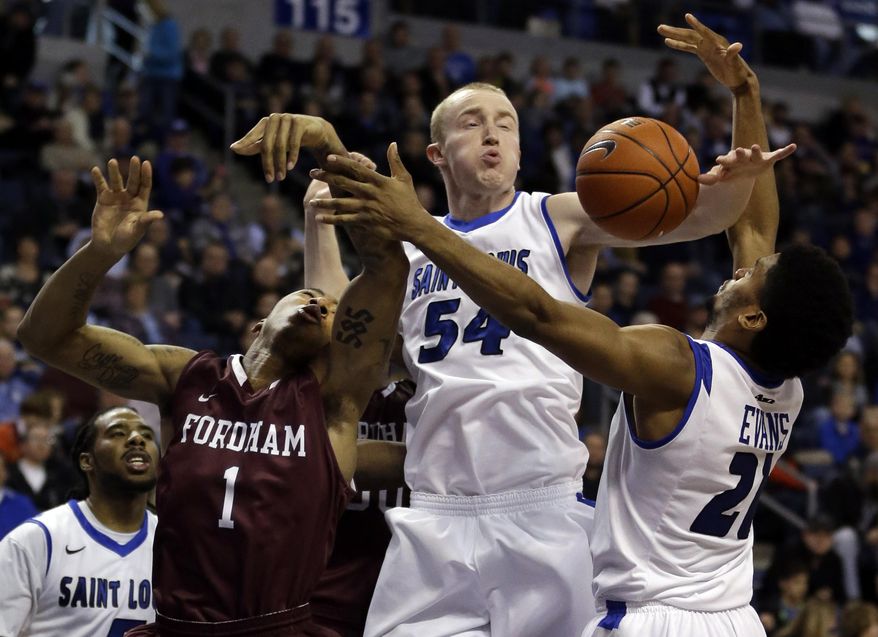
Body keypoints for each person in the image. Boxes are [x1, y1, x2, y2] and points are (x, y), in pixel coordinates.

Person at [234, 25, 794, 633]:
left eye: (506, 122)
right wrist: (320, 222)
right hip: (435, 516)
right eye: (471, 121)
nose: (492, 130)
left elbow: (709, 217)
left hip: (542, 507)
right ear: (438, 155)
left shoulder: (556, 217)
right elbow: (342, 334)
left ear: (522, 153)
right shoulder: (411, 253)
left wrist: (736, 176)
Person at [16, 154, 407, 635]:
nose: (320, 305)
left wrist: (364, 201)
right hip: (176, 626)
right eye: (308, 296)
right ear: (258, 325)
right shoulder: (187, 376)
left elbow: (386, 276)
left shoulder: (333, 406)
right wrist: (99, 253)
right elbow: (44, 339)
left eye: (331, 310)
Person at [0, 406, 159, 636]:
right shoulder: (35, 541)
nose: (137, 439)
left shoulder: (174, 545)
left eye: (147, 435)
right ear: (87, 461)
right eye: (118, 433)